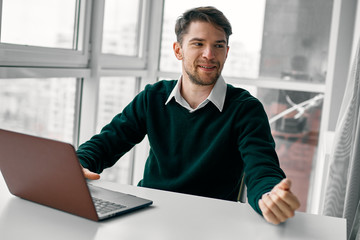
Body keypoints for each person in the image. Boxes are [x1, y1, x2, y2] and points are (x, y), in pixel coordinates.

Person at [77, 6, 300, 225]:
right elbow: (106, 143)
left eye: (218, 45)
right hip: (150, 215)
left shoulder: (246, 109)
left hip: (211, 222)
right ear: (178, 50)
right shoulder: (152, 97)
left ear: (227, 52)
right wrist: (79, 164)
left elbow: (262, 168)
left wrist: (269, 196)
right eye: (198, 44)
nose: (209, 54)